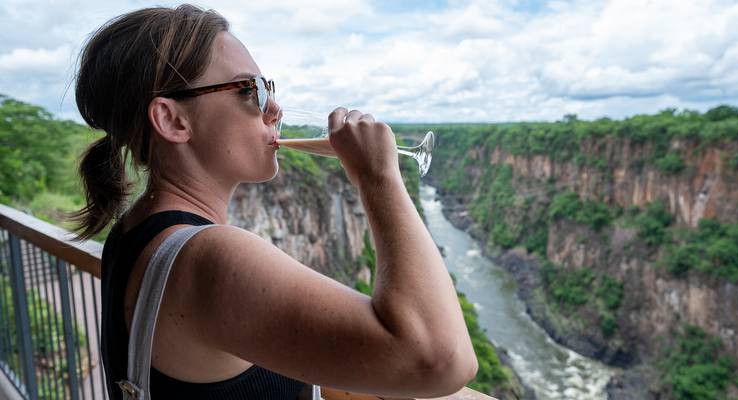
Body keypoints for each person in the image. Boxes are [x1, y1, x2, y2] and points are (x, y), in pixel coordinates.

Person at [72, 4, 477, 399]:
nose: (274, 108)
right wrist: (379, 177)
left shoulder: (136, 232)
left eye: (268, 88)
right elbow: (440, 358)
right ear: (173, 120)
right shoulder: (209, 257)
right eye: (250, 90)